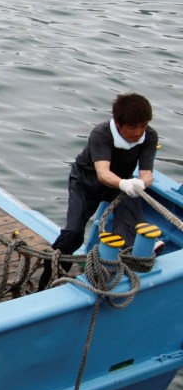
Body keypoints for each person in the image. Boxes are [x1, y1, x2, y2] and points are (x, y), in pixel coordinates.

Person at [38, 93, 158, 289]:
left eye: (143, 126)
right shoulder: (101, 133)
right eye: (131, 128)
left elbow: (147, 174)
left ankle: (115, 278)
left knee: (130, 232)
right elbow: (102, 173)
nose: (138, 132)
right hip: (86, 183)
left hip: (120, 185)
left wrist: (140, 184)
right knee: (74, 233)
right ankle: (51, 275)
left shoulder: (149, 136)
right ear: (118, 124)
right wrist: (125, 184)